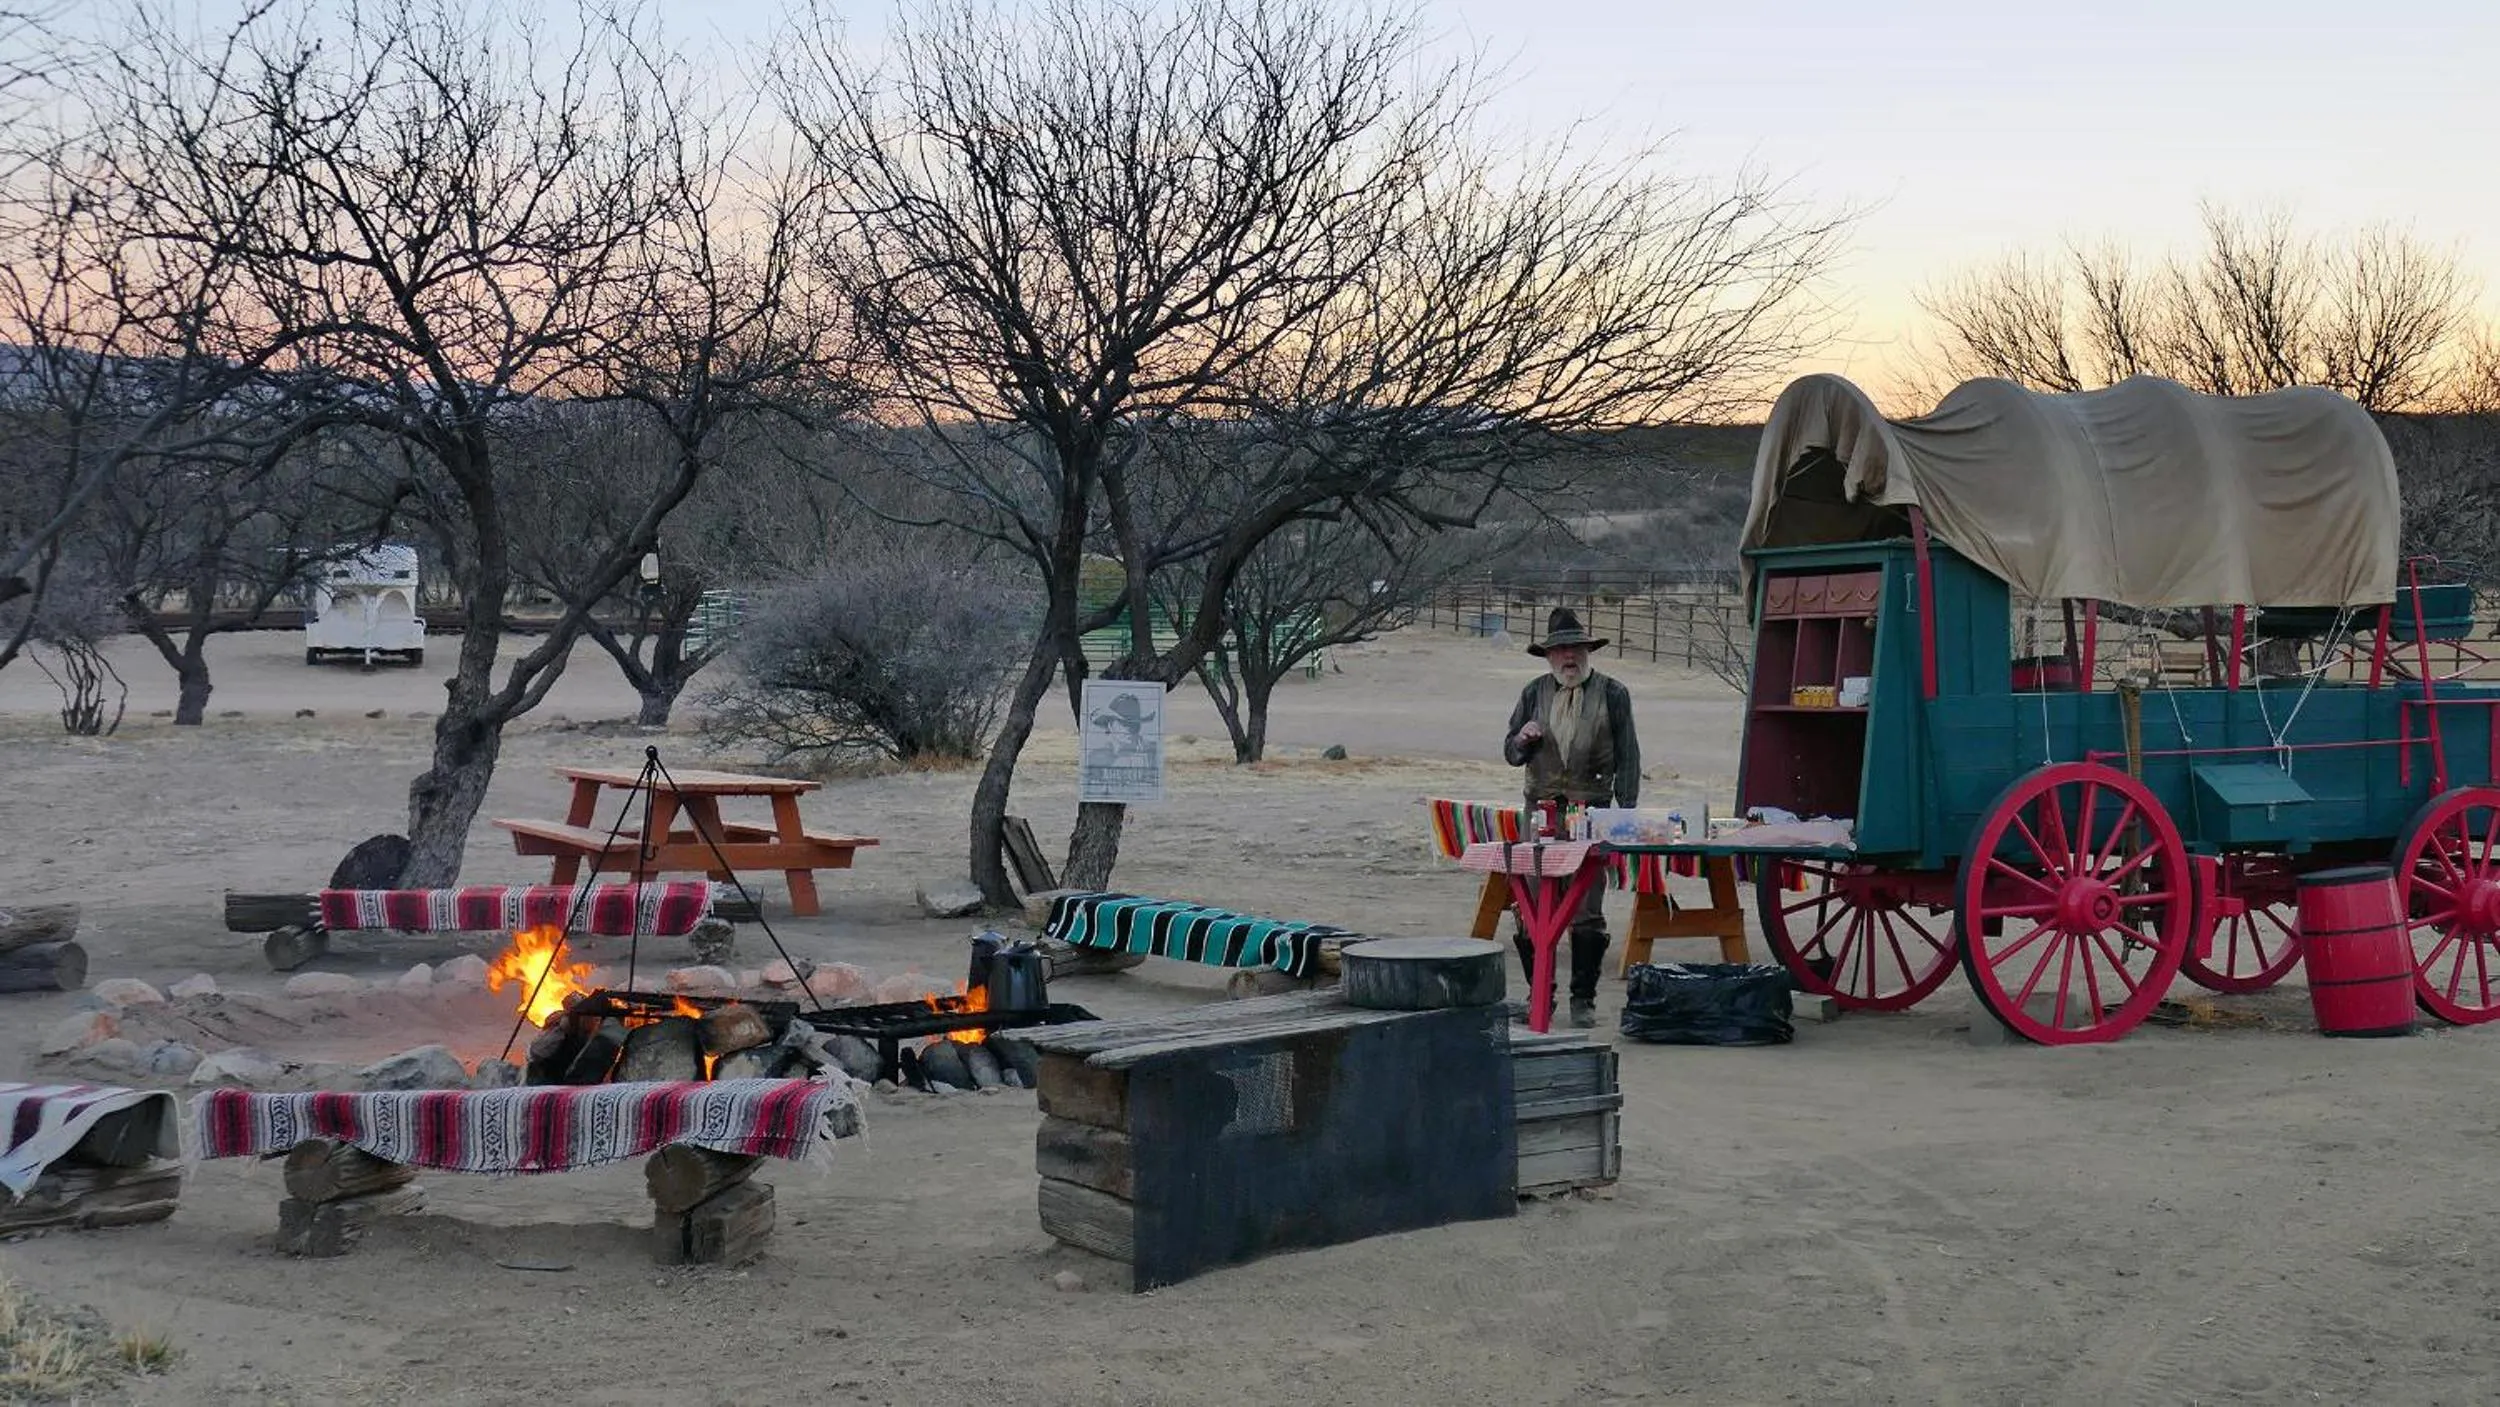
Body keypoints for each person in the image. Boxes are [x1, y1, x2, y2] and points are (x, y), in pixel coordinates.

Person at [1501, 607, 1640, 1028]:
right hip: (1539, 813)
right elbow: (1509, 752)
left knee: (1586, 909)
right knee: (1530, 908)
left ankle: (1584, 1000)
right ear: (1548, 655)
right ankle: (1539, 994)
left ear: (1586, 651)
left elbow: (1629, 757)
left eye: (1575, 649)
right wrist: (1522, 741)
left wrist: (1625, 816)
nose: (1568, 658)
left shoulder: (1613, 694)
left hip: (1591, 813)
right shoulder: (1533, 693)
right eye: (1560, 650)